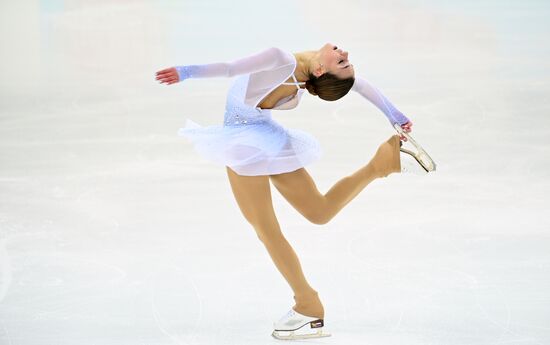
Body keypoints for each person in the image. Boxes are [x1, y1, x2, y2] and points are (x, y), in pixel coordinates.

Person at [155, 43, 430, 340]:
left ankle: (308, 304)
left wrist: (184, 72)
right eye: (345, 60)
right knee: (319, 211)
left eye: (342, 61)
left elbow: (231, 68)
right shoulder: (312, 75)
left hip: (243, 141)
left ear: (322, 69)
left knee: (266, 230)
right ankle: (381, 164)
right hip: (268, 136)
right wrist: (395, 116)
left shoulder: (281, 59)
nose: (346, 54)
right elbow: (361, 86)